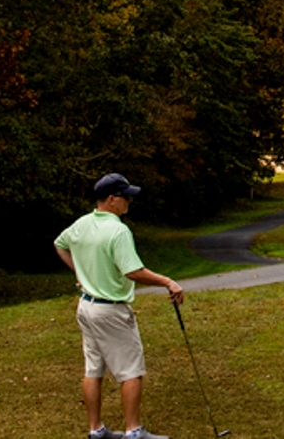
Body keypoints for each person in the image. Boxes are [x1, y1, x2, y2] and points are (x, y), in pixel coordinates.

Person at [55, 173, 184, 439]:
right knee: (131, 371)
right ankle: (134, 432)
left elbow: (60, 245)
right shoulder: (118, 230)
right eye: (126, 197)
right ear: (112, 200)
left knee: (94, 369)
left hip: (86, 307)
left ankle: (96, 430)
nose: (129, 201)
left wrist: (80, 274)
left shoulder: (82, 223)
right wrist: (167, 282)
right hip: (110, 310)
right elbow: (133, 271)